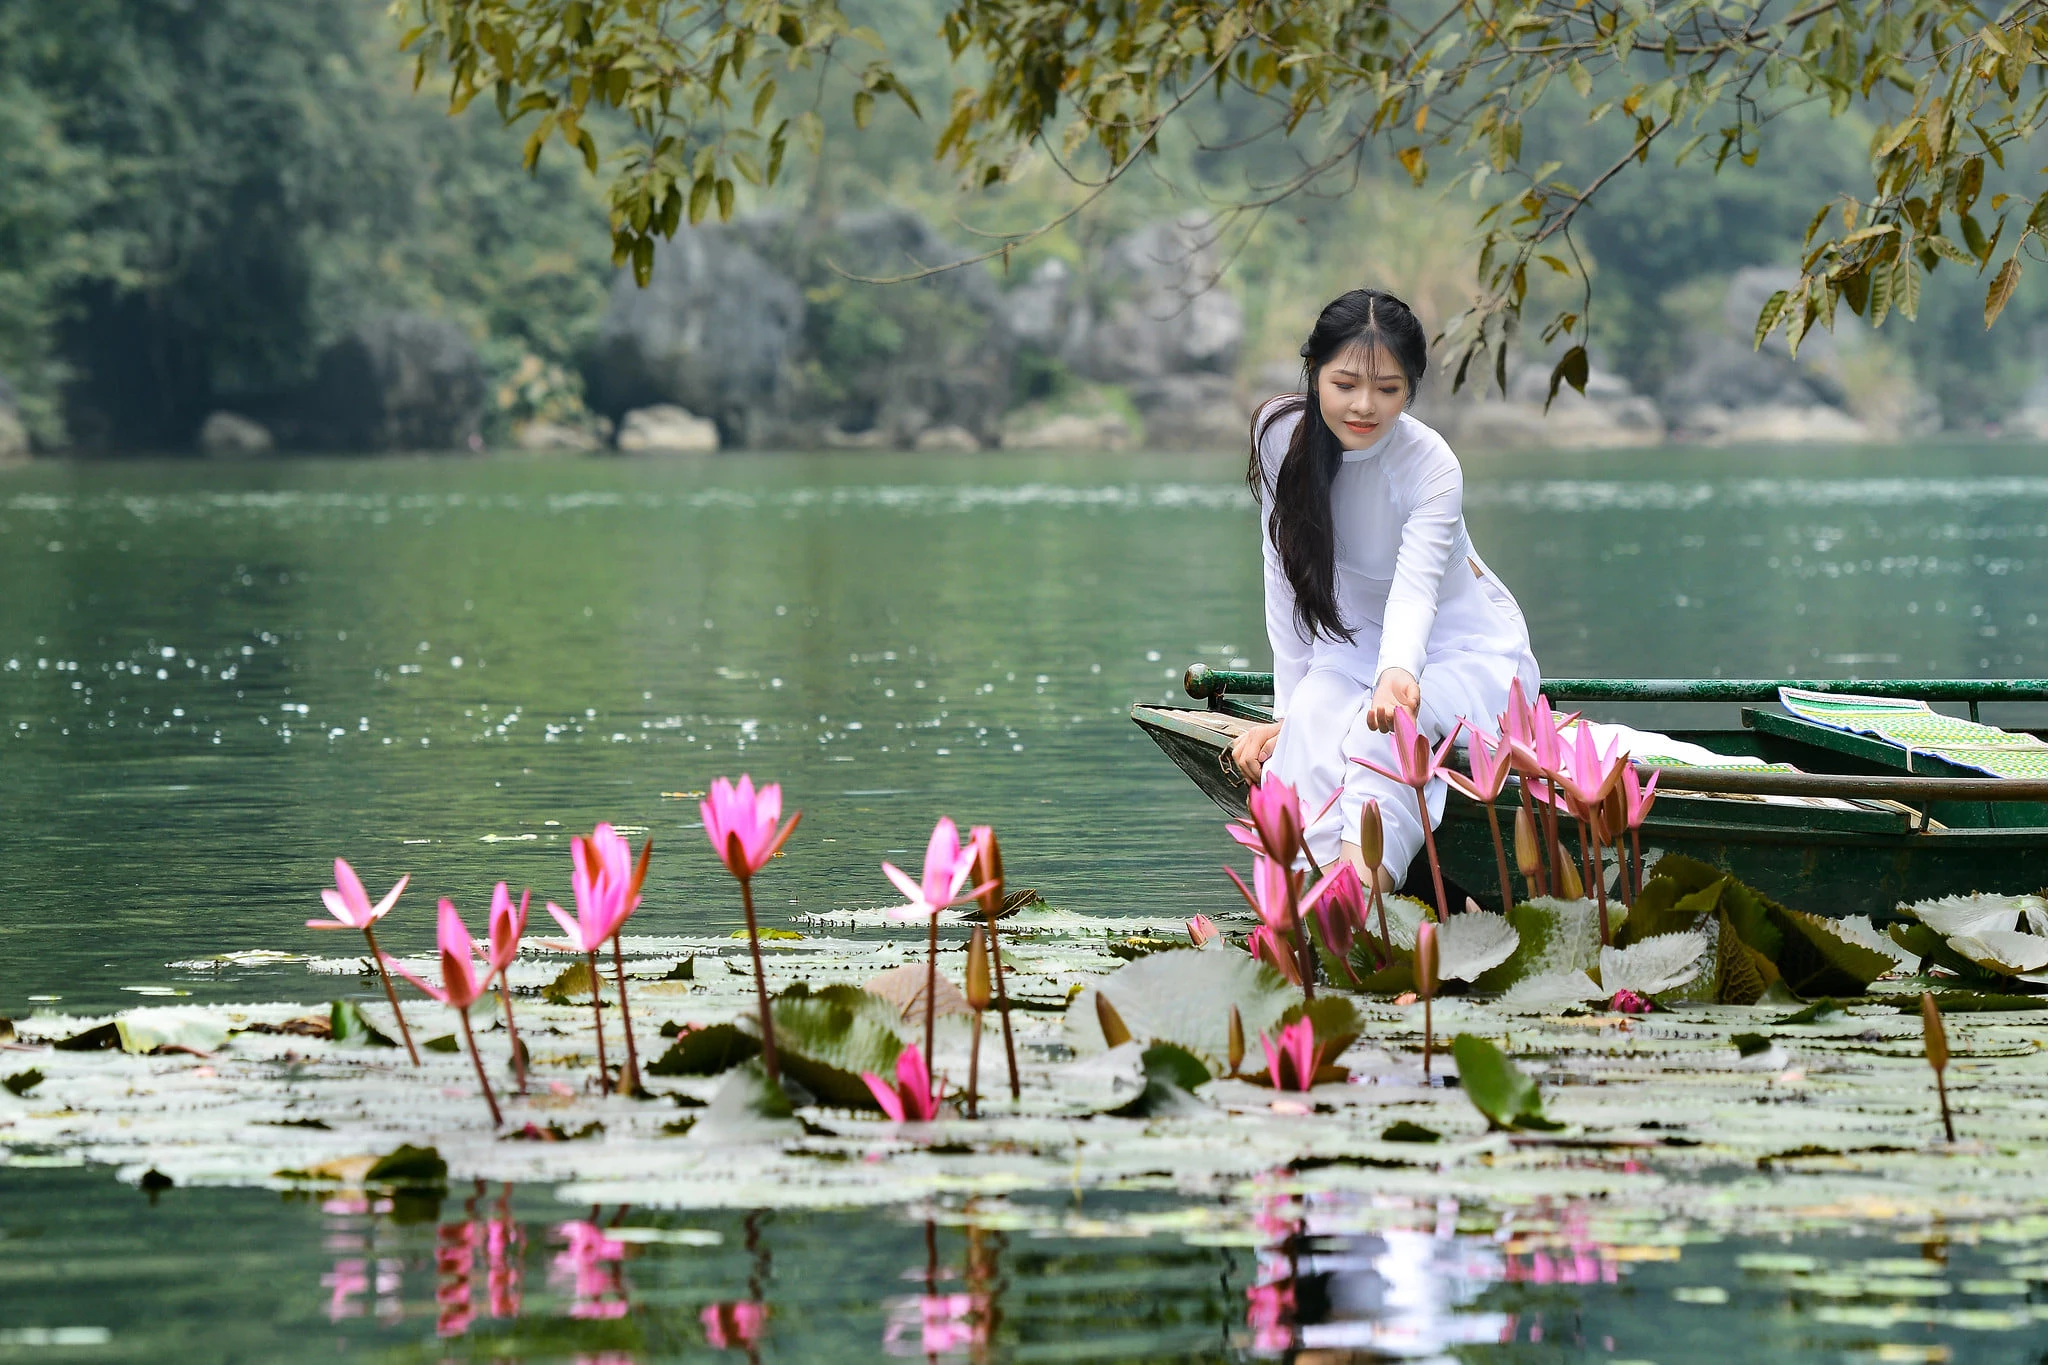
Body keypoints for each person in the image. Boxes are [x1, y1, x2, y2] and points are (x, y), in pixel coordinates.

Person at [1227, 289, 1540, 892]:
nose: (1364, 406)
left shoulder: (1431, 466)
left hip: (1461, 653)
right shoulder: (1278, 434)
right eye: (1345, 384)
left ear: (1412, 389)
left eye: (1388, 389)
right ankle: (1293, 920)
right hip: (1350, 648)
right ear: (1314, 372)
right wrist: (1286, 716)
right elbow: (1282, 576)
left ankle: (1364, 907)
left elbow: (1415, 590)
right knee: (1313, 731)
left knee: (1386, 732)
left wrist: (1399, 673)